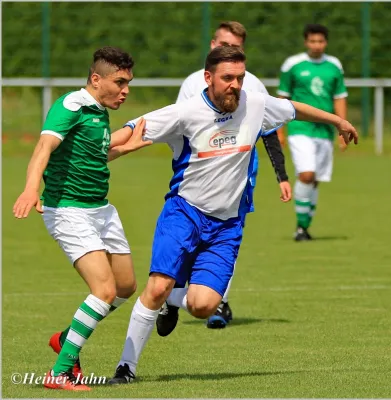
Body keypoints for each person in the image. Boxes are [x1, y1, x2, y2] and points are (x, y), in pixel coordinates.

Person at [107, 46, 357, 385]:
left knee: (203, 306)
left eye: (239, 77)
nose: (235, 85)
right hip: (183, 212)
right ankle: (126, 367)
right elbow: (134, 129)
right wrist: (98, 152)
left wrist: (338, 120)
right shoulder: (186, 112)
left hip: (227, 226)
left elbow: (295, 109)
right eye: (227, 78)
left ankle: (173, 301)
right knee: (157, 286)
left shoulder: (255, 103)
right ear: (208, 78)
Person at [12, 47, 151, 391]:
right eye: (119, 82)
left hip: (102, 210)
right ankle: (58, 374)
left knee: (125, 287)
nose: (126, 90)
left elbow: (95, 154)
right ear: (95, 79)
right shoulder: (71, 105)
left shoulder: (99, 110)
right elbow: (43, 148)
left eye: (128, 82)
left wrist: (130, 145)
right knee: (102, 290)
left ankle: (67, 338)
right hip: (69, 211)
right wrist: (31, 189)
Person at [157, 21, 290, 332]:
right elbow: (177, 128)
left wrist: (281, 175)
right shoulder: (192, 83)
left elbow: (268, 130)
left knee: (227, 233)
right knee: (188, 239)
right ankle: (173, 299)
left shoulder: (253, 85)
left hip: (241, 173)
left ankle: (219, 301)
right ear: (212, 45)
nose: (228, 51)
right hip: (199, 176)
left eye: (237, 47)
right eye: (223, 44)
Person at [276, 23, 349, 241]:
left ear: (326, 42)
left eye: (320, 41)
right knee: (306, 174)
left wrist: (341, 127)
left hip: (324, 130)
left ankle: (305, 226)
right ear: (306, 42)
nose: (316, 45)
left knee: (315, 179)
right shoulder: (293, 65)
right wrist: (279, 129)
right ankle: (300, 228)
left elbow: (339, 97)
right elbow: (282, 98)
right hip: (300, 126)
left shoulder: (334, 66)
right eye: (312, 41)